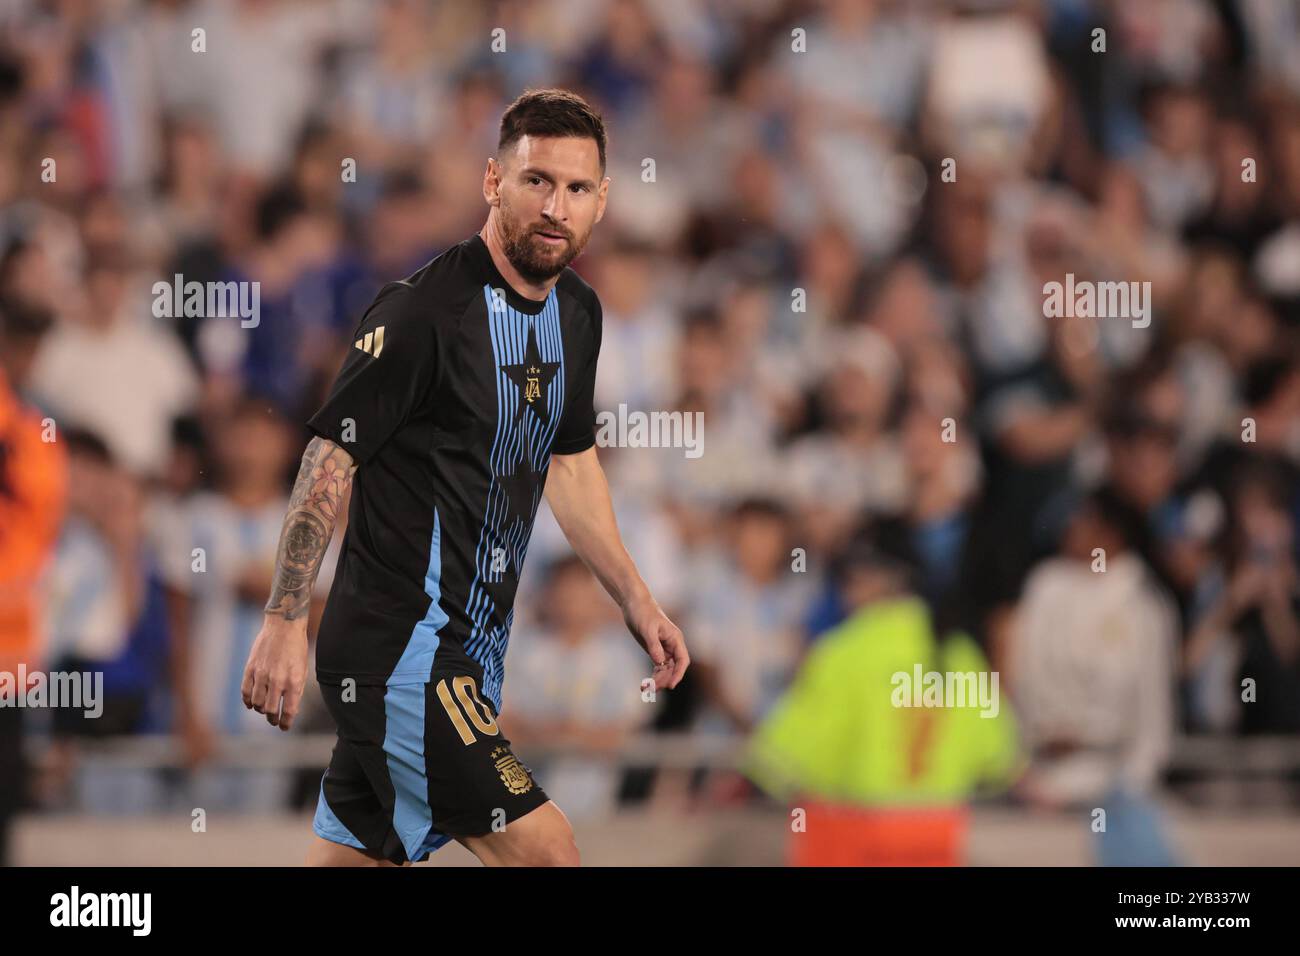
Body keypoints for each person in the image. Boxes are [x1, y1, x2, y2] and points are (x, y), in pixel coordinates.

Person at [239, 89, 688, 867]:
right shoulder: (422, 312)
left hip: (469, 654)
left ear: (602, 201)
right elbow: (329, 454)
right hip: (402, 653)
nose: (556, 206)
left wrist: (636, 599)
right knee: (550, 853)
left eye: (577, 189)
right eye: (536, 180)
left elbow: (570, 463)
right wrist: (285, 619)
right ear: (492, 181)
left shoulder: (577, 313)